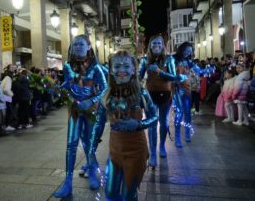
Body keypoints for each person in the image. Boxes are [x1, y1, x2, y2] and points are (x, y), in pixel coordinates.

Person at [53, 35, 107, 198]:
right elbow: (69, 84)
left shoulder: (96, 68)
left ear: (89, 47)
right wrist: (57, 88)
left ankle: (91, 173)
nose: (77, 46)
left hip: (90, 110)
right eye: (74, 44)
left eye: (80, 44)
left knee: (89, 144)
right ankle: (68, 182)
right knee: (71, 144)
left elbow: (104, 87)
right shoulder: (68, 66)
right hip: (74, 110)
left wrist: (91, 100)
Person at [104, 50, 157, 201]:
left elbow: (154, 117)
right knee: (110, 194)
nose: (122, 71)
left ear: (134, 70)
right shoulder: (107, 94)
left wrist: (139, 124)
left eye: (126, 66)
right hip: (114, 152)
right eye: (117, 66)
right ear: (111, 70)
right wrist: (91, 152)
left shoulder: (142, 93)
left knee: (128, 196)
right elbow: (98, 124)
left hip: (136, 152)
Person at [139, 34, 179, 167]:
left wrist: (159, 72)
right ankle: (153, 154)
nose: (156, 45)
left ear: (163, 46)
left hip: (165, 94)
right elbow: (138, 77)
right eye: (154, 43)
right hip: (150, 95)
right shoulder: (145, 60)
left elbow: (173, 77)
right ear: (150, 46)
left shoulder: (169, 59)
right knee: (151, 123)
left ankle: (162, 146)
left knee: (164, 122)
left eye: (159, 43)